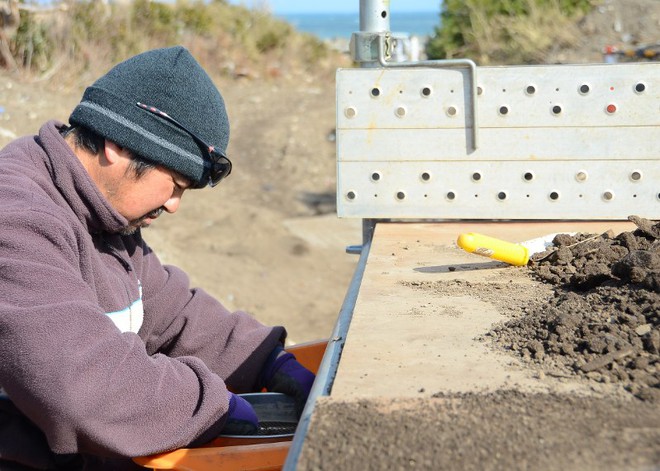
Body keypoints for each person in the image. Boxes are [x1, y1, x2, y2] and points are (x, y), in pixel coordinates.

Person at [0, 46, 316, 470]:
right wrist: (211, 404)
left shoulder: (103, 213)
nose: (173, 205)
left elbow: (170, 312)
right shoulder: (17, 219)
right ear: (116, 142)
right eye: (175, 183)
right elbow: (82, 387)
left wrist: (262, 360)